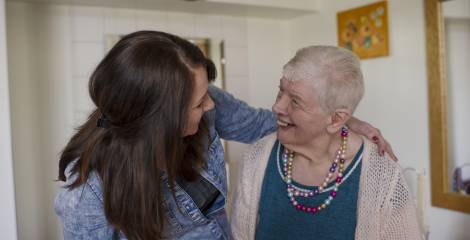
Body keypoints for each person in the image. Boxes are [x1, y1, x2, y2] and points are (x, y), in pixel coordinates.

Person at [54, 31, 394, 239]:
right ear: (160, 117)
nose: (212, 104)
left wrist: (344, 122)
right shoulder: (86, 194)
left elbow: (267, 123)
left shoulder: (208, 104)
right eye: (199, 102)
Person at [230, 46, 422, 240]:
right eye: (281, 91)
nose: (277, 106)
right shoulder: (257, 158)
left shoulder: (382, 176)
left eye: (295, 101)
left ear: (336, 119)